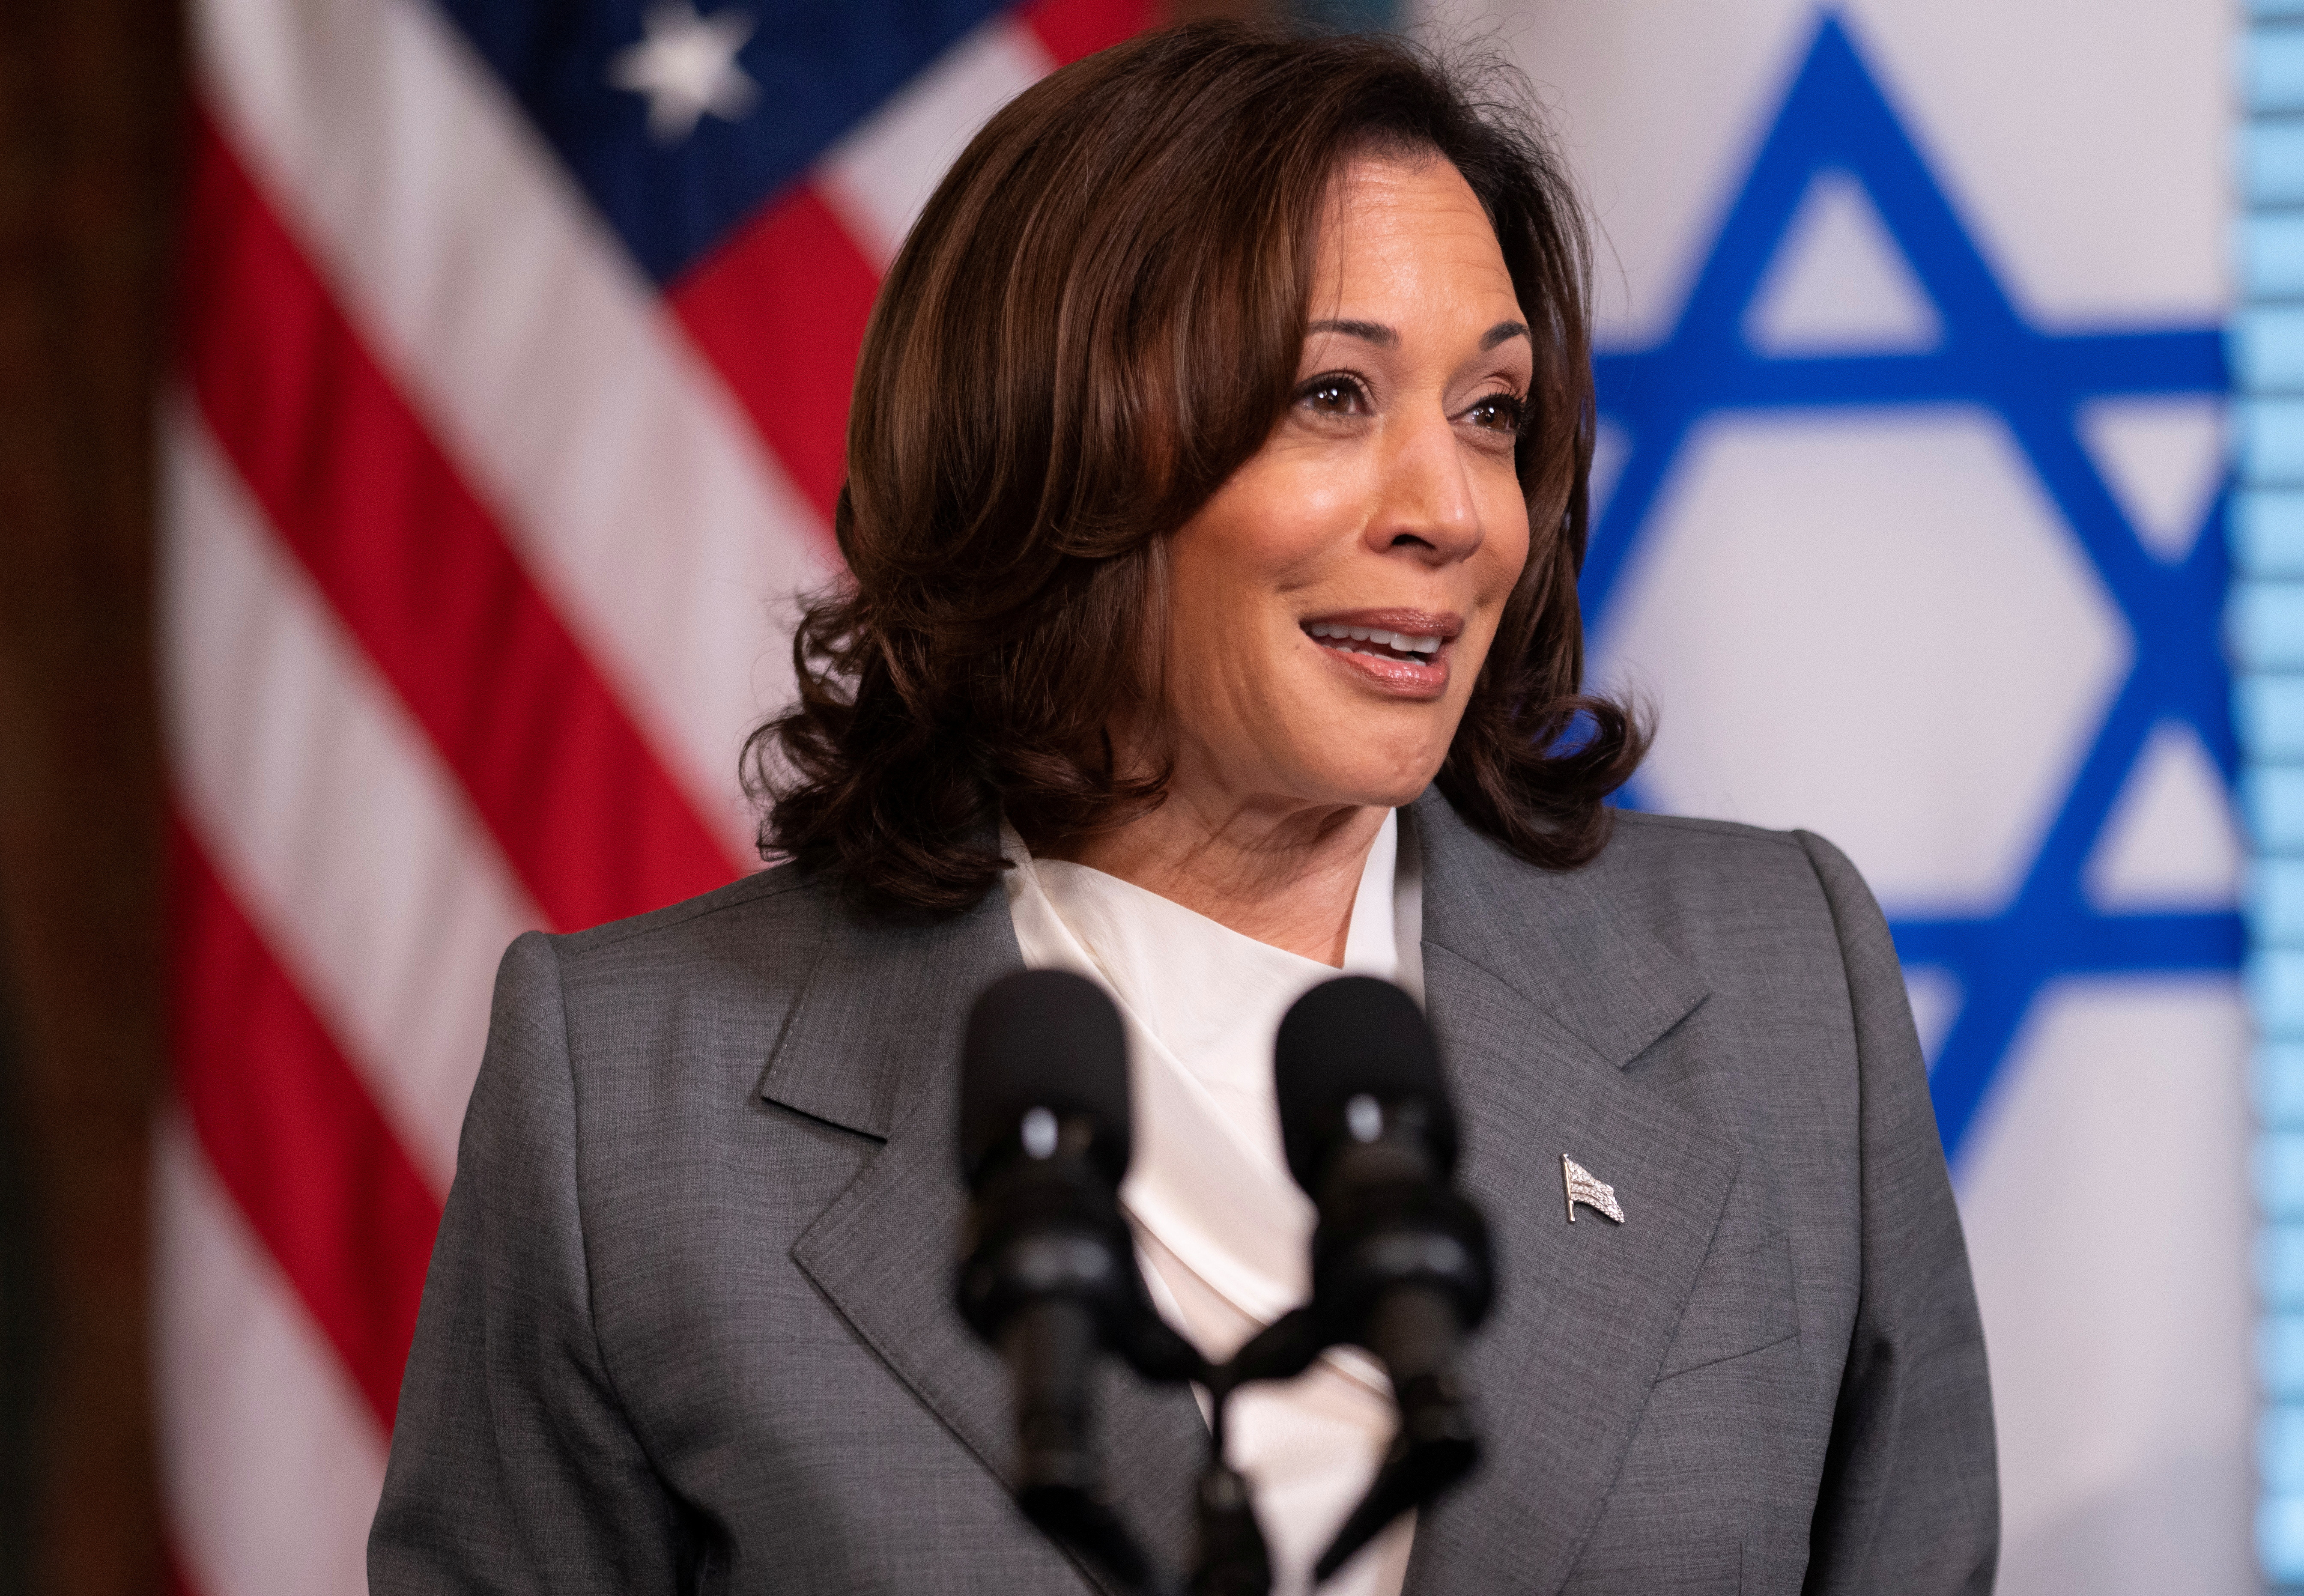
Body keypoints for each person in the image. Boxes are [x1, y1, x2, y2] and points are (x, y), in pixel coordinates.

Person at [369, 21, 1997, 1596]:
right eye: (1334, 398)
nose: (1452, 513)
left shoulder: (1781, 988)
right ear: (1056, 447)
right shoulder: (632, 1099)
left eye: (1490, 413)